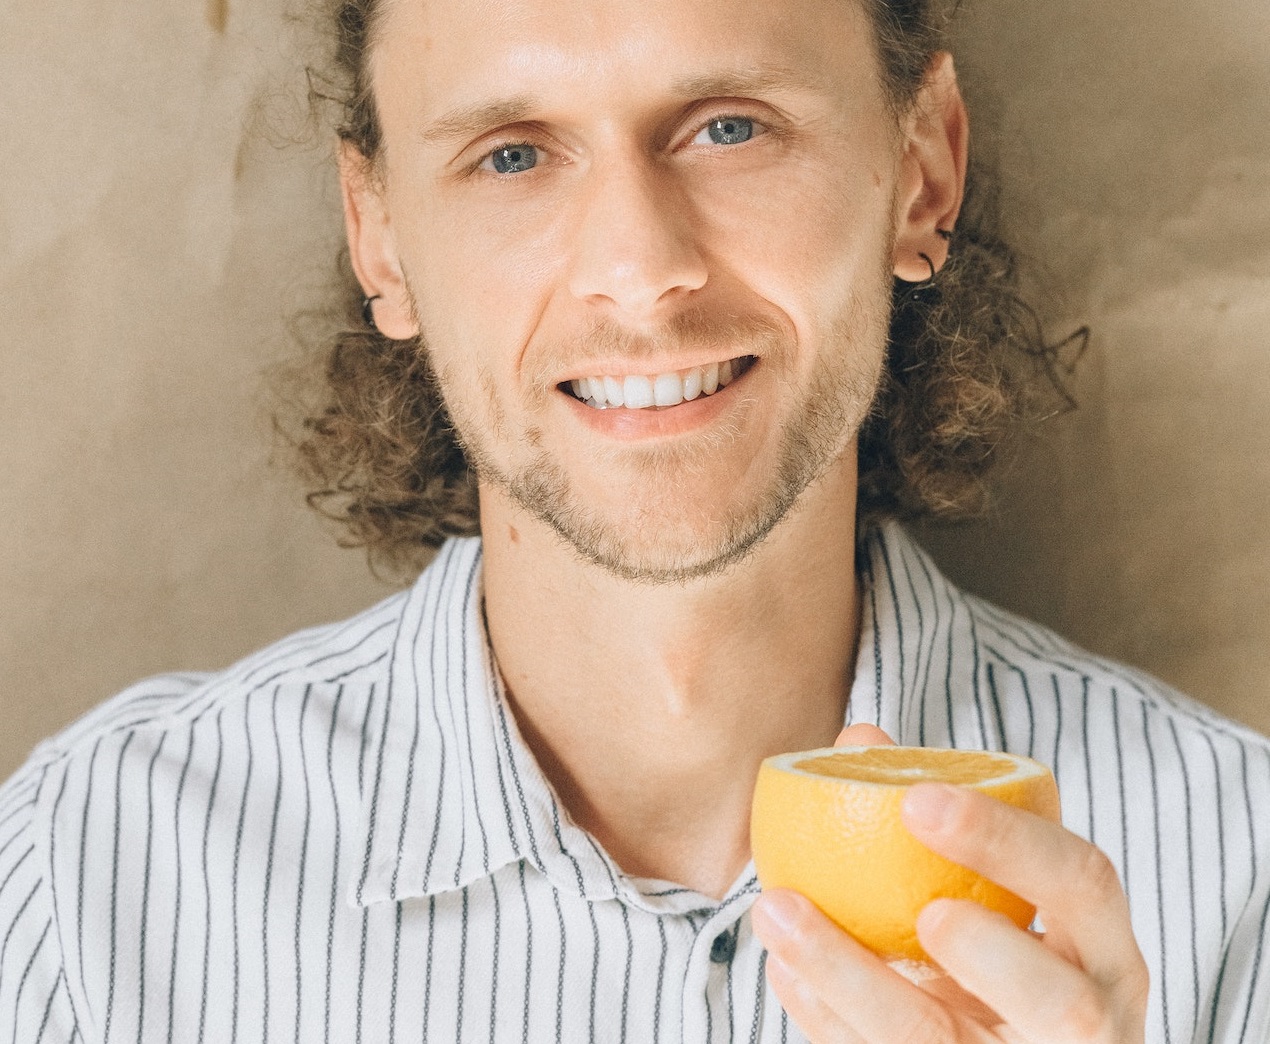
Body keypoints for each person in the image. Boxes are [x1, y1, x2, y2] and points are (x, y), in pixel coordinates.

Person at [1, 0, 1267, 1040]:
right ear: (378, 237)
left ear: (921, 171)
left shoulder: (1239, 877)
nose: (639, 268)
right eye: (512, 154)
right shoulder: (86, 885)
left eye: (730, 127)